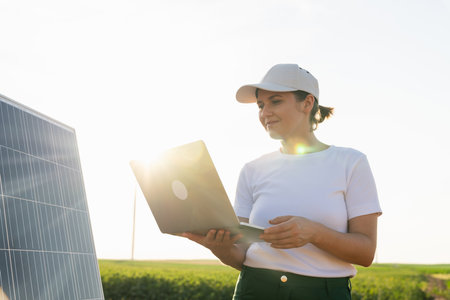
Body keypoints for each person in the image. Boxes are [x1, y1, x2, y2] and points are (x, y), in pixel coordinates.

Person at [182, 64, 382, 300]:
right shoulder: (252, 170)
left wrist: (314, 233)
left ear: (307, 103)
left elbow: (366, 252)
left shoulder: (351, 162)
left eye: (275, 101)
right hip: (254, 289)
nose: (265, 113)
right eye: (260, 105)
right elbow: (243, 254)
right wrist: (221, 248)